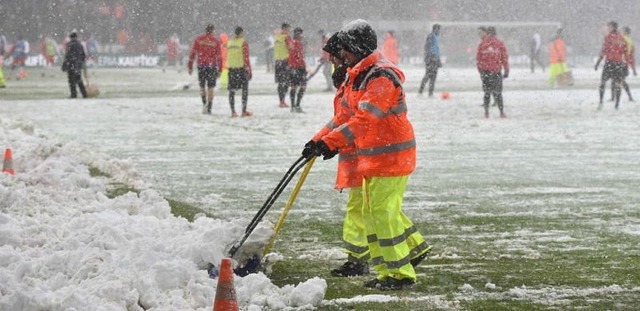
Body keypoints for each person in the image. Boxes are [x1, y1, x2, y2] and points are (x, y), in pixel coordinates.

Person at [303, 19, 431, 290]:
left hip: (392, 157)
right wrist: (318, 141)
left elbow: (365, 119)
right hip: (374, 158)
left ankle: (399, 273)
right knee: (375, 213)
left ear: (358, 48)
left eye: (346, 50)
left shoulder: (380, 77)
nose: (342, 56)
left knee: (382, 213)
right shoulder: (361, 73)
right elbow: (345, 116)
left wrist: (332, 143)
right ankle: (391, 268)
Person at [187, 24, 223, 114]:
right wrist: (220, 68)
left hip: (202, 65)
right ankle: (209, 107)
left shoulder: (199, 39)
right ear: (213, 31)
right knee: (211, 87)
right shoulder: (216, 41)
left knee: (202, 87)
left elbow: (193, 53)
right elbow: (219, 57)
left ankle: (204, 104)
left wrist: (190, 66)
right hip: (212, 66)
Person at [476, 26, 509, 118]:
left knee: (487, 93)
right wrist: (506, 70)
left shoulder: (482, 44)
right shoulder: (500, 44)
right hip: (496, 71)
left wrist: (481, 71)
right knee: (498, 93)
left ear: (487, 33)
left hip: (486, 72)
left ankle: (486, 113)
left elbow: (479, 60)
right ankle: (501, 112)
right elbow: (504, 58)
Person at [595, 21, 628, 110]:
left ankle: (601, 102)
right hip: (619, 63)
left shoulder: (608, 38)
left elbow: (604, 50)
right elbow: (625, 52)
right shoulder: (622, 38)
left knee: (602, 83)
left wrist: (598, 63)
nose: (607, 29)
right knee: (618, 84)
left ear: (613, 27)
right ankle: (617, 105)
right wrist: (625, 64)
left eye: (608, 27)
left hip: (610, 63)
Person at [226, 26, 253, 118]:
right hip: (241, 69)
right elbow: (246, 57)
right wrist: (249, 70)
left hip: (231, 69)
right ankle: (243, 111)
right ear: (241, 33)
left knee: (232, 91)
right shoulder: (243, 42)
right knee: (244, 90)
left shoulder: (229, 42)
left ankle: (233, 112)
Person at [609, 26, 636, 102]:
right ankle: (627, 97)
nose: (620, 32)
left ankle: (615, 97)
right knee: (618, 80)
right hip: (624, 63)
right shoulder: (630, 40)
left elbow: (615, 49)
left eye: (622, 31)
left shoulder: (622, 39)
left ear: (625, 32)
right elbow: (631, 55)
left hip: (620, 62)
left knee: (618, 80)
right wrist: (632, 67)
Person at [61, 31, 87, 98]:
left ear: (70, 37)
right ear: (76, 37)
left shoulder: (69, 44)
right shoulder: (80, 45)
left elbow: (67, 55)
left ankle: (73, 94)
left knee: (71, 81)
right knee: (79, 80)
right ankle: (84, 94)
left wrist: (64, 65)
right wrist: (82, 62)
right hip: (77, 65)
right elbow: (83, 55)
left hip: (71, 65)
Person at [418, 24, 442, 97]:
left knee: (434, 76)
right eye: (438, 29)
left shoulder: (437, 37)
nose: (439, 31)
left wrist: (438, 59)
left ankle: (430, 93)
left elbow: (437, 49)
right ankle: (420, 92)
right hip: (431, 58)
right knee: (428, 75)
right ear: (434, 29)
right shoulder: (431, 36)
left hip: (435, 58)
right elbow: (427, 47)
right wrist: (429, 58)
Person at [288, 27, 307, 113]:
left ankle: (293, 106)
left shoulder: (291, 42)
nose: (302, 36)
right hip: (298, 68)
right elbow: (299, 57)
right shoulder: (297, 43)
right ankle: (297, 105)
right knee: (302, 86)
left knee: (294, 87)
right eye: (301, 34)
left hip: (293, 67)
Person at [274, 23, 292, 108]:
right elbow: (291, 48)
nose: (289, 31)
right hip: (285, 61)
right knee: (286, 82)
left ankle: (281, 101)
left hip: (277, 62)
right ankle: (283, 101)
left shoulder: (277, 37)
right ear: (285, 29)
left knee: (280, 82)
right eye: (288, 30)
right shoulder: (286, 37)